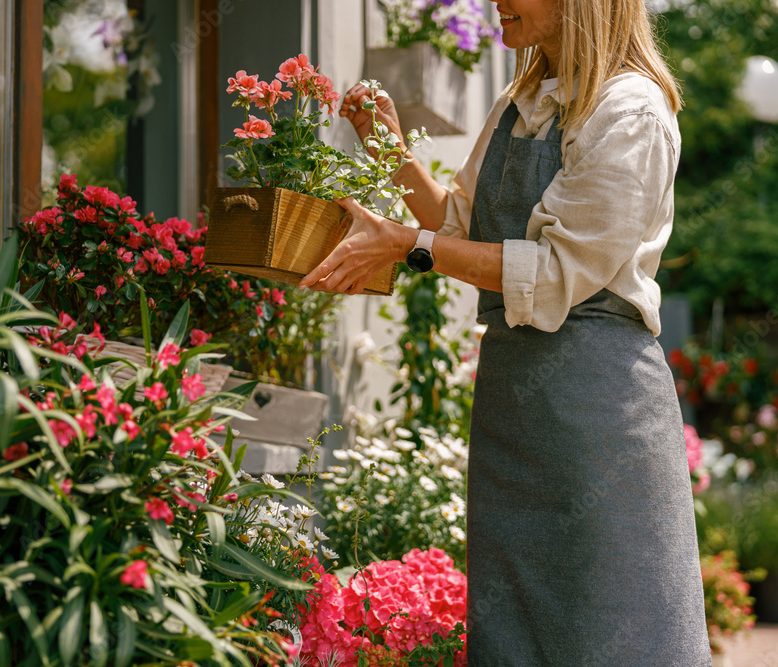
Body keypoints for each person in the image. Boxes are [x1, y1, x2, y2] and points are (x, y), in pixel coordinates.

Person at [300, 0, 712, 663]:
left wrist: (405, 243)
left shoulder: (630, 113)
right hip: (512, 406)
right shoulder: (522, 102)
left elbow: (553, 273)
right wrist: (390, 146)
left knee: (608, 624)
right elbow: (458, 228)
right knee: (513, 634)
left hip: (596, 415)